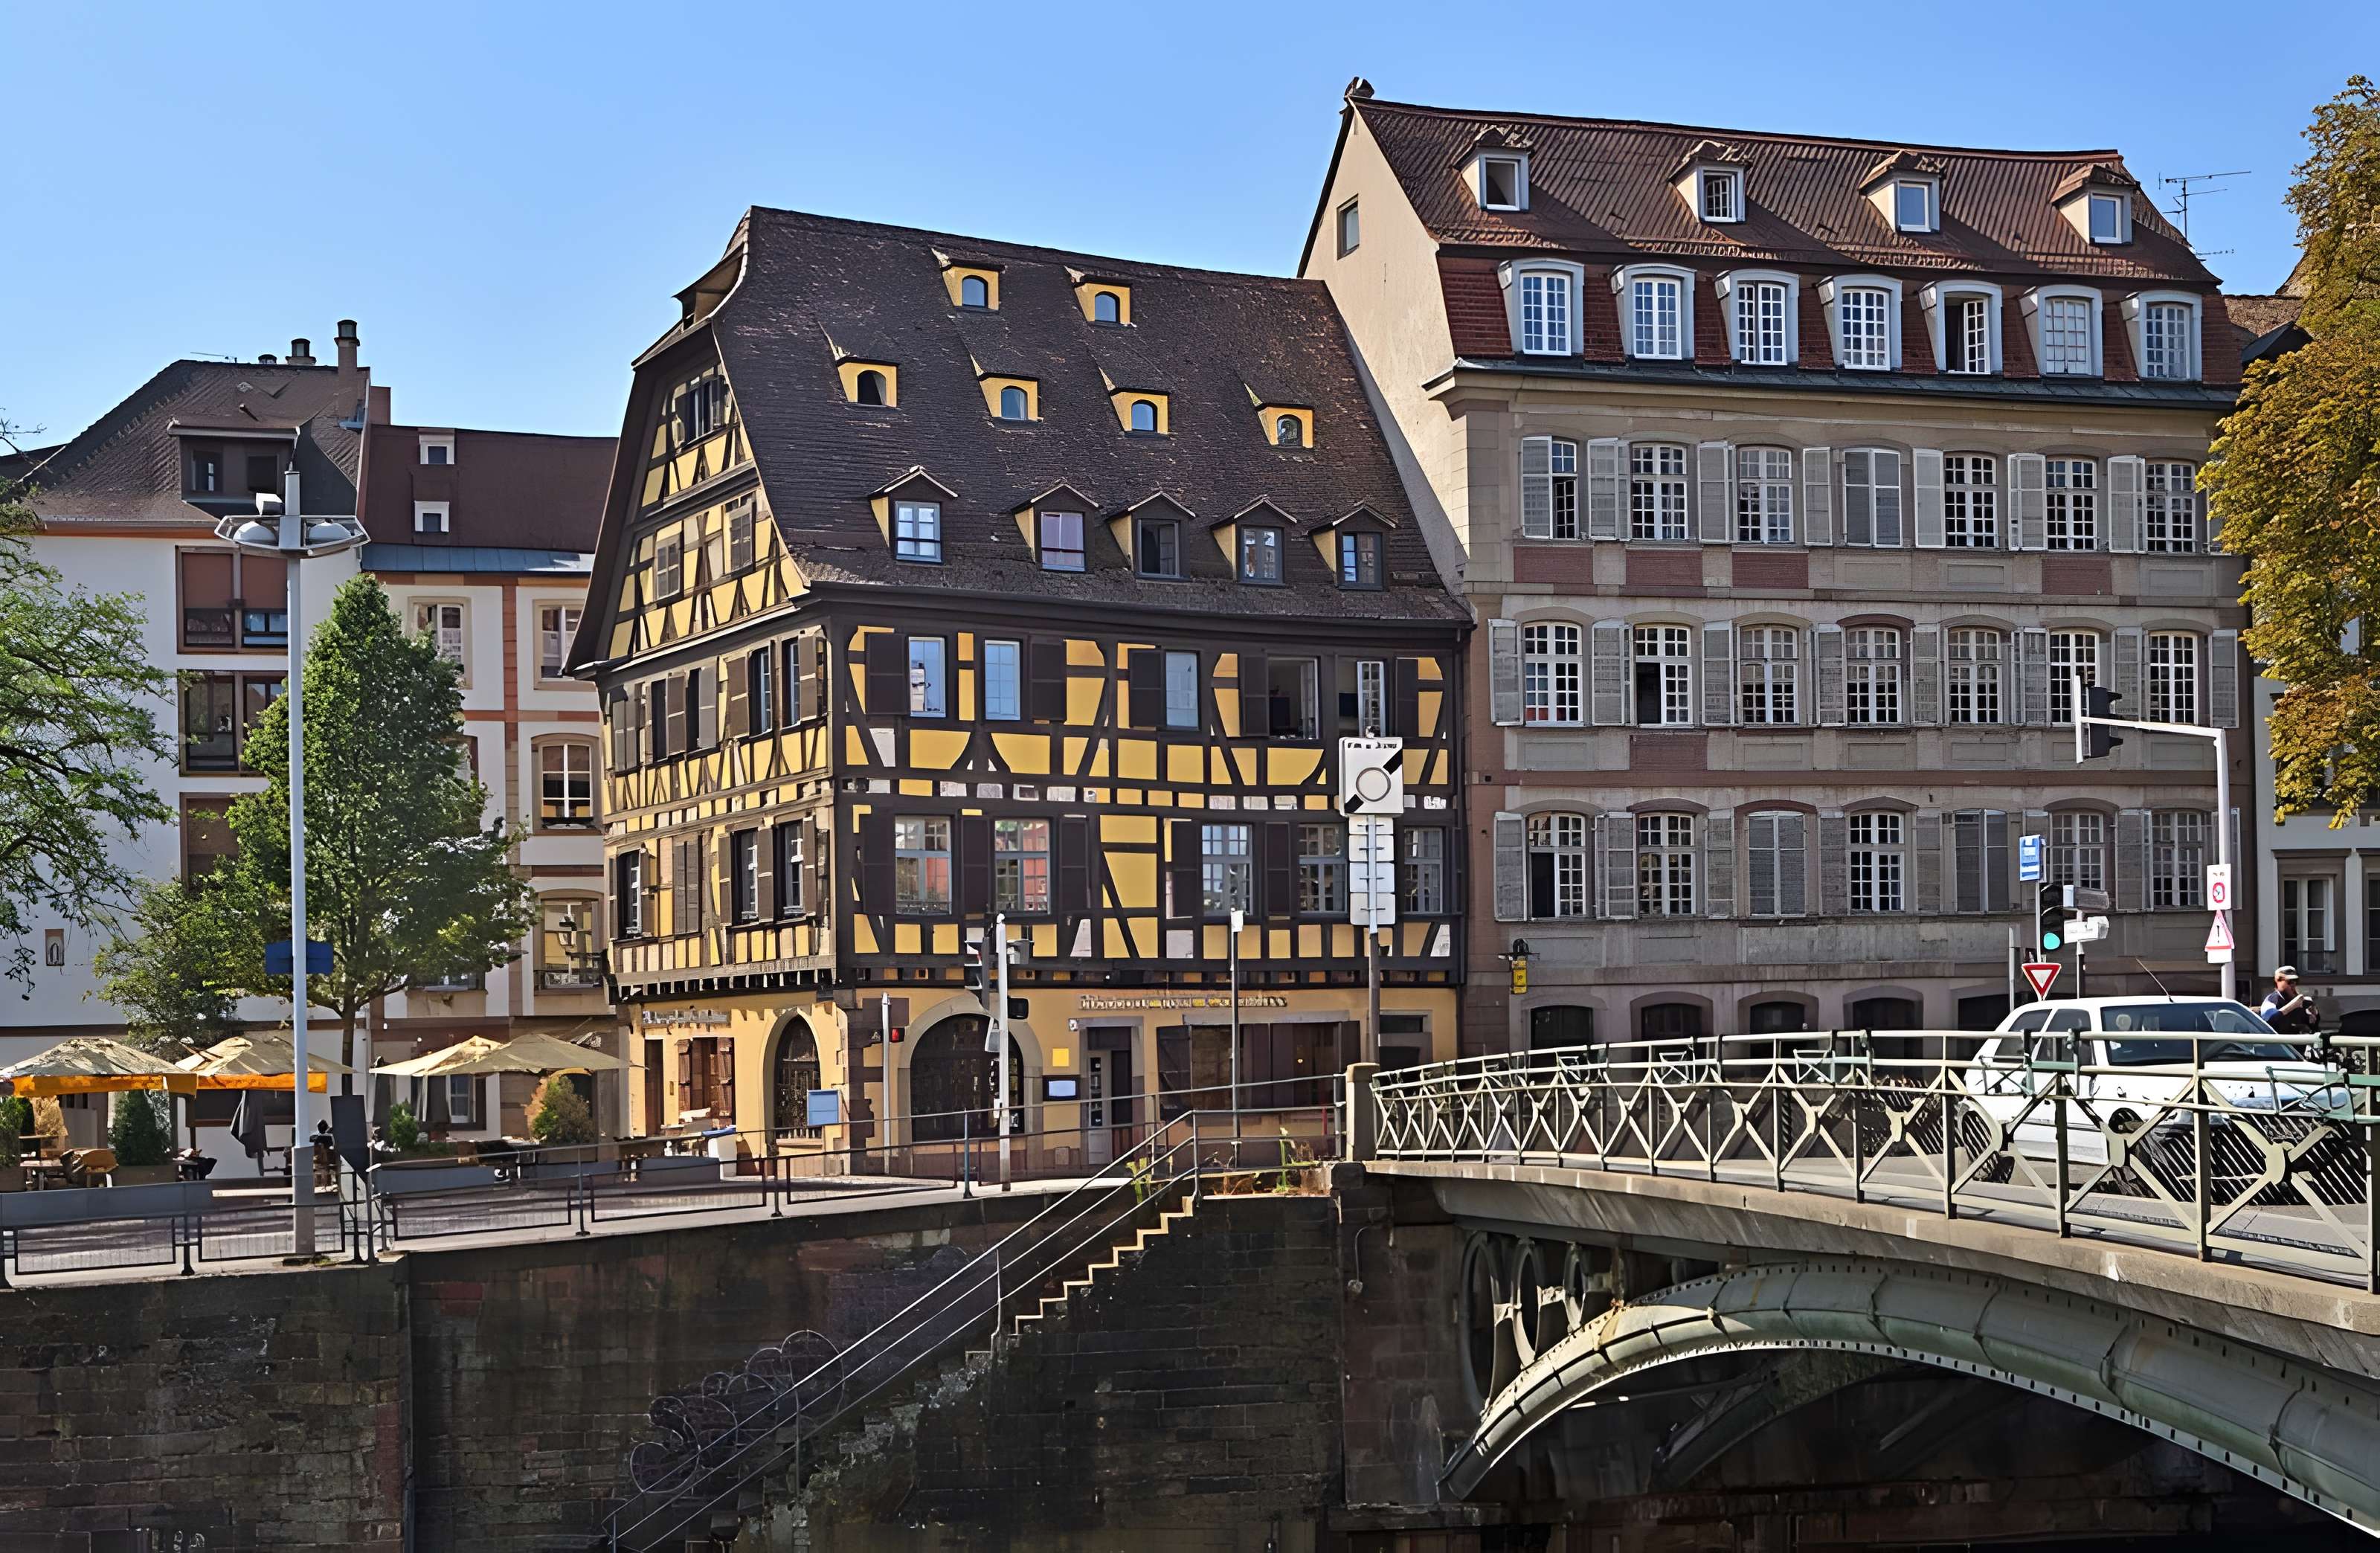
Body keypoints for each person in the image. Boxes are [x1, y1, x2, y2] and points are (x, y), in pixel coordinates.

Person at [2261, 966, 2320, 1037]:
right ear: (2278, 983)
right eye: (2289, 982)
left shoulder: (2303, 1002)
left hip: (2299, 1046)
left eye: (2295, 981)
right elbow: (2269, 1022)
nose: (2293, 984)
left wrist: (2315, 1015)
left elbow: (2314, 1029)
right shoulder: (2271, 1001)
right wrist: (2292, 1006)